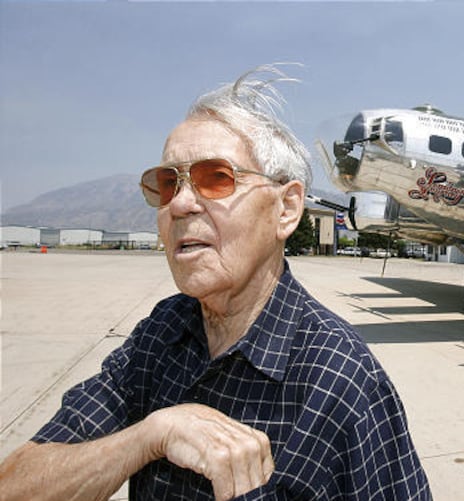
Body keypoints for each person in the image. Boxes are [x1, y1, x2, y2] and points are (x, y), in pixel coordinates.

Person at [0, 65, 431, 501]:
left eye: (216, 178)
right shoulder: (160, 333)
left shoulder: (341, 379)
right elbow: (16, 485)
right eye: (168, 184)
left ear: (286, 209)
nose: (182, 203)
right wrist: (149, 437)